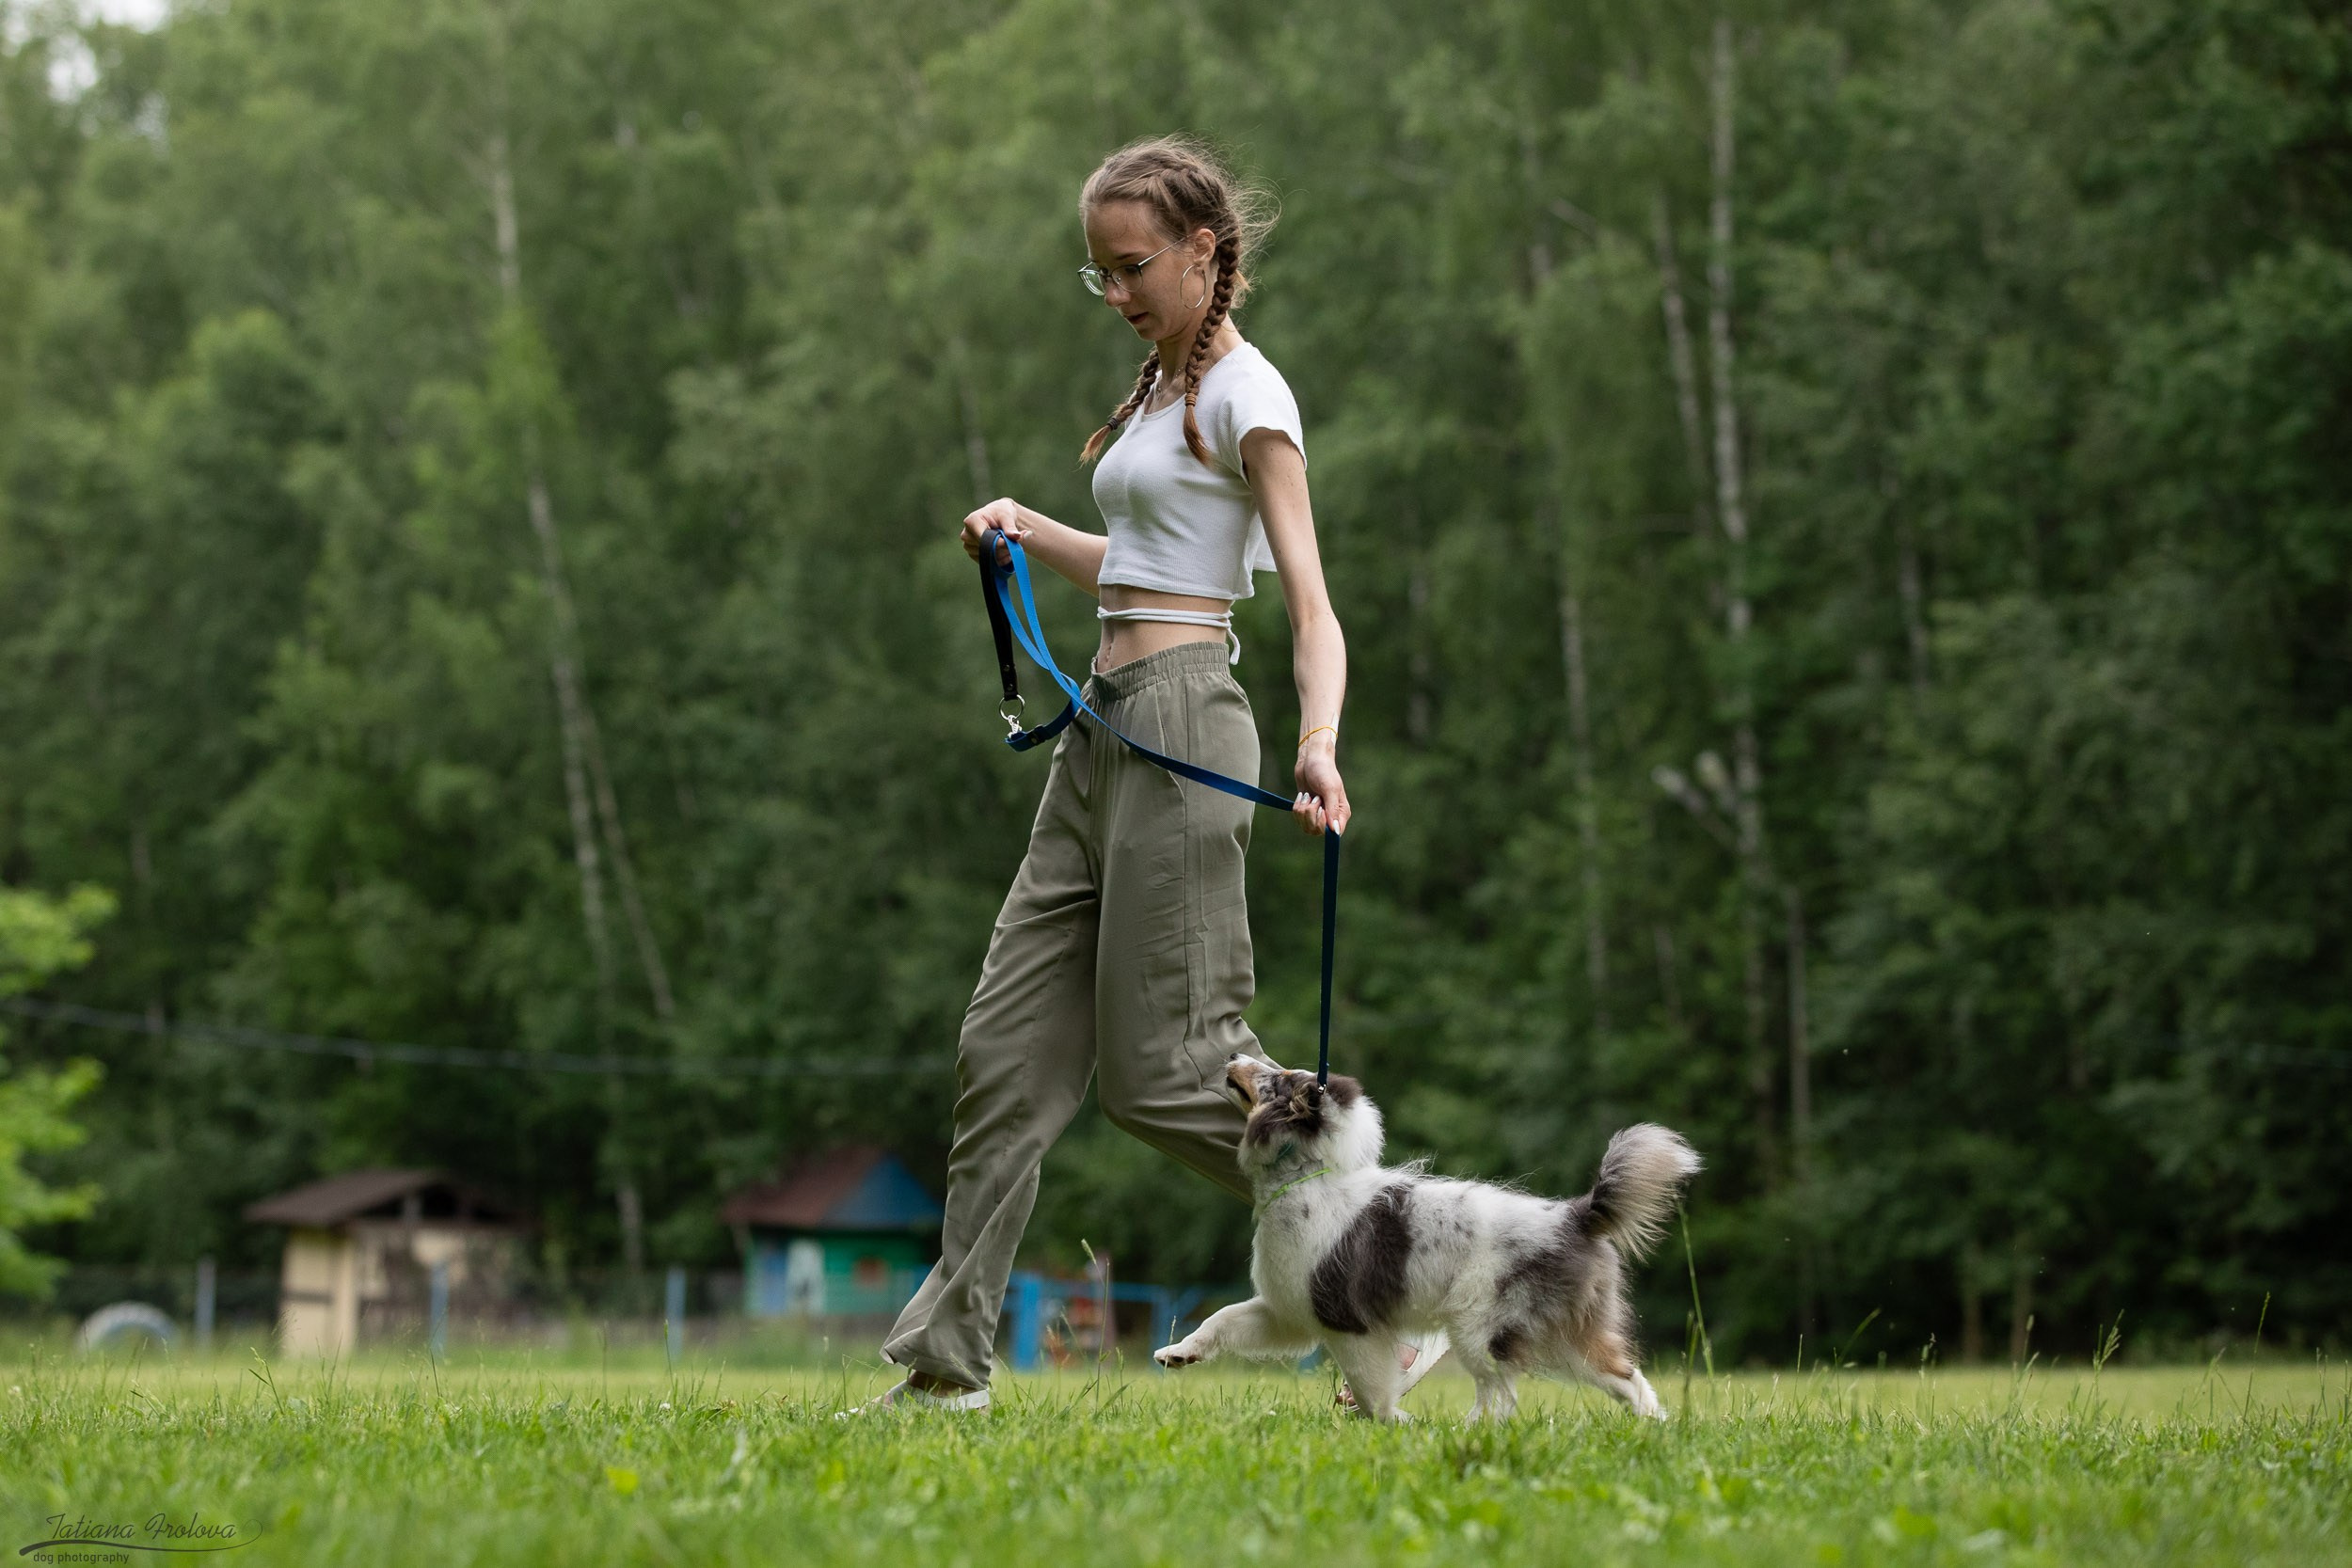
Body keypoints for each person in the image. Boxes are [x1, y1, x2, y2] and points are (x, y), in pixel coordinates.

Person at [843, 135, 1437, 1414]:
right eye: (1098, 271)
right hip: (1100, 735)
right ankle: (947, 1372)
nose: (1115, 293)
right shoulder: (1161, 389)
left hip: (1185, 732)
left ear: (1203, 251)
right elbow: (1140, 562)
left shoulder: (1247, 396)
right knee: (1003, 1052)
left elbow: (1315, 609)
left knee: (1174, 1069)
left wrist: (1319, 743)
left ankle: (1397, 1265)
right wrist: (1022, 525)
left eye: (1133, 268)